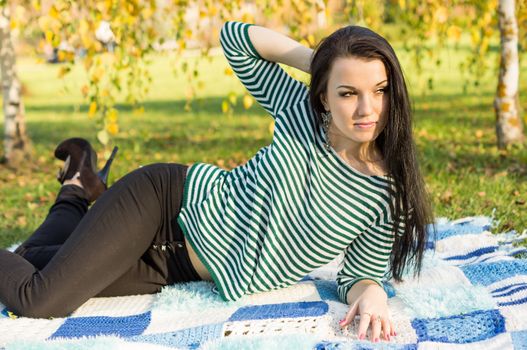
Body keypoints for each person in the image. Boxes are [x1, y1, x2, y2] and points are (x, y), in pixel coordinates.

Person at [0, 21, 433, 343]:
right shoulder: (302, 113)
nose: (366, 109)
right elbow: (236, 40)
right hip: (165, 206)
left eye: (379, 90)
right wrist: (318, 61)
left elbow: (359, 275)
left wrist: (373, 294)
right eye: (347, 92)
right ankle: (80, 188)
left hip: (174, 267)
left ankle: (77, 185)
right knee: (39, 299)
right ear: (323, 94)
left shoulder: (388, 192)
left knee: (34, 259)